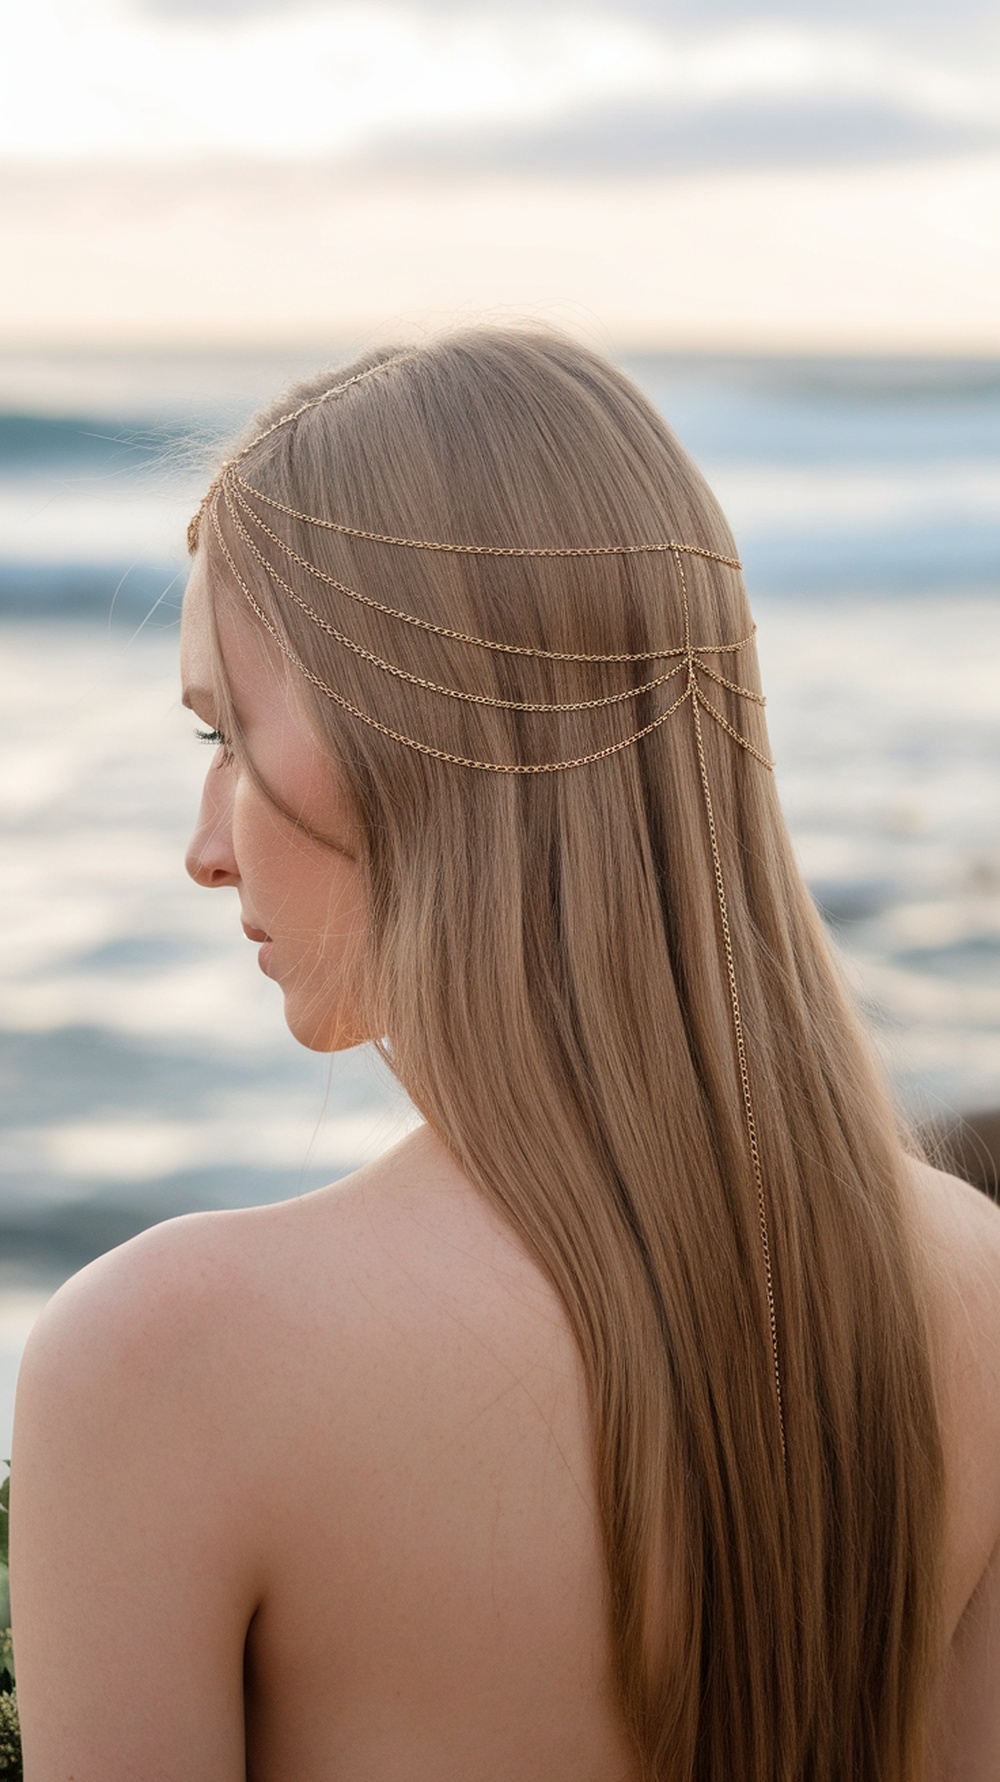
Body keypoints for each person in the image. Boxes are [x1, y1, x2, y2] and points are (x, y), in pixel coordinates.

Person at [9, 328, 1000, 1780]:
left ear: (410, 731)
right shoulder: (972, 1283)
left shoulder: (161, 1362)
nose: (205, 849)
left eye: (230, 736)